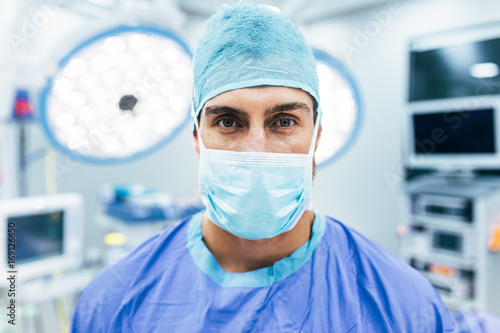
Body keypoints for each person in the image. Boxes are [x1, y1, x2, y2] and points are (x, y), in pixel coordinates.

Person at [70, 0, 455, 331]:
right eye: (228, 121)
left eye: (284, 121)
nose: (258, 149)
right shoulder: (113, 303)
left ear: (316, 137)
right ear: (196, 138)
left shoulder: (404, 307)